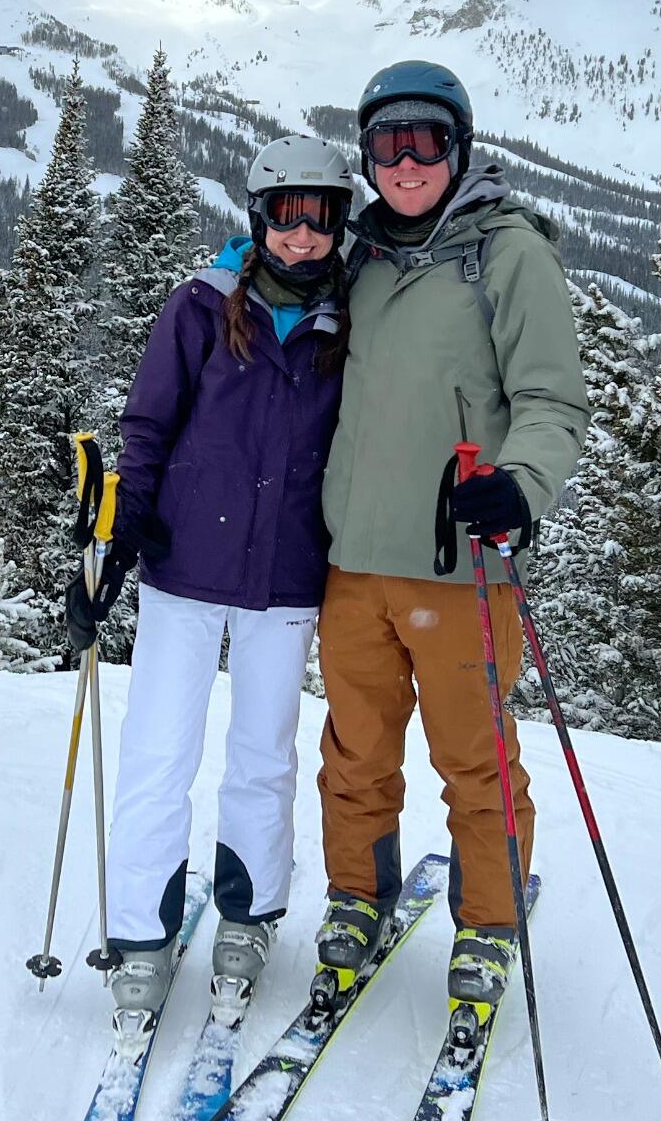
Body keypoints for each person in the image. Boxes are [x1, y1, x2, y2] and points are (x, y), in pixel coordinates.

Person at [312, 60, 588, 1012]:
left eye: (426, 140)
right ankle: (358, 895)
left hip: (460, 566)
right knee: (354, 751)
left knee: (474, 759)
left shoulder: (507, 254)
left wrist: (521, 484)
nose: (406, 161)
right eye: (387, 144)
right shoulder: (362, 258)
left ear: (459, 146)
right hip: (353, 564)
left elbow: (553, 399)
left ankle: (489, 920)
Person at [69, 134, 354, 1026]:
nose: (302, 235)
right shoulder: (199, 305)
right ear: (258, 215)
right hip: (185, 564)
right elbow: (147, 425)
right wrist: (124, 530)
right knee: (160, 747)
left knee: (264, 752)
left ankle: (249, 912)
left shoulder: (351, 320)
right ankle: (141, 932)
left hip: (288, 573)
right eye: (286, 214)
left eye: (321, 216)